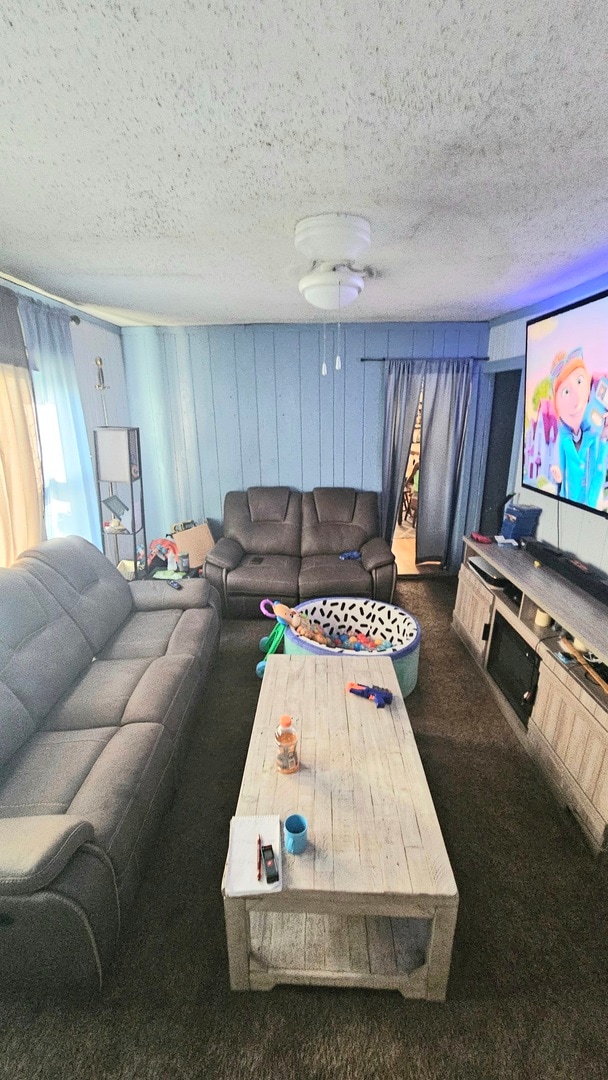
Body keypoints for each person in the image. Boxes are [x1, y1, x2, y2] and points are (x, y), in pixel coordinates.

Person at [549, 347, 608, 509]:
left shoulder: (596, 434)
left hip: (588, 508)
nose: (576, 398)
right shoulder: (563, 438)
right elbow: (559, 469)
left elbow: (599, 472)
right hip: (566, 506)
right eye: (566, 391)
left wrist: (604, 439)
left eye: (580, 382)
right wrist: (558, 478)